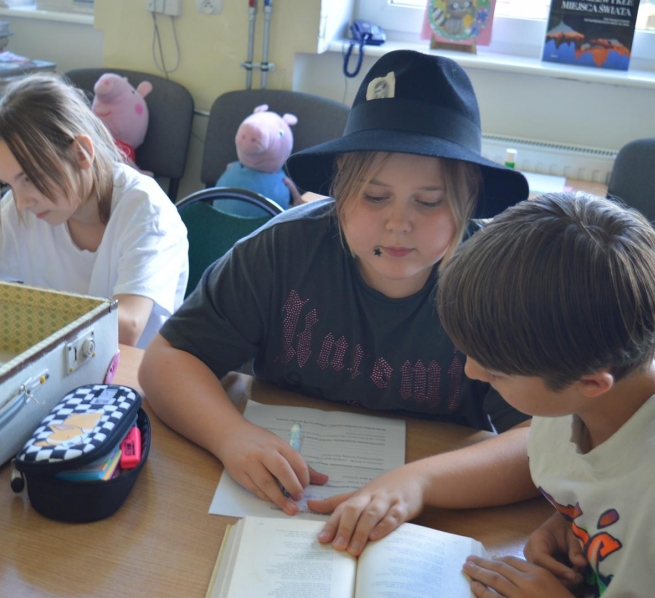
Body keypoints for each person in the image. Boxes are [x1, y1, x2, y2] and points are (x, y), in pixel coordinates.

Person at [139, 50, 534, 520]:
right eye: (374, 196)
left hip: (434, 511)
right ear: (341, 189)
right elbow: (167, 360)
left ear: (469, 200)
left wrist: (422, 482)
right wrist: (230, 435)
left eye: (429, 201)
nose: (398, 223)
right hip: (281, 501)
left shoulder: (495, 287)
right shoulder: (281, 250)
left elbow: (545, 440)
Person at [342, 191, 655, 596]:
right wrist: (573, 522)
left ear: (591, 383)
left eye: (496, 371)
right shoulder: (600, 363)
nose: (471, 371)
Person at [0, 73, 188, 348]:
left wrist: (9, 313)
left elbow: (126, 327)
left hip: (132, 373)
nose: (21, 202)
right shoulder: (23, 209)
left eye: (29, 179)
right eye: (9, 184)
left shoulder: (146, 210)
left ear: (81, 153)